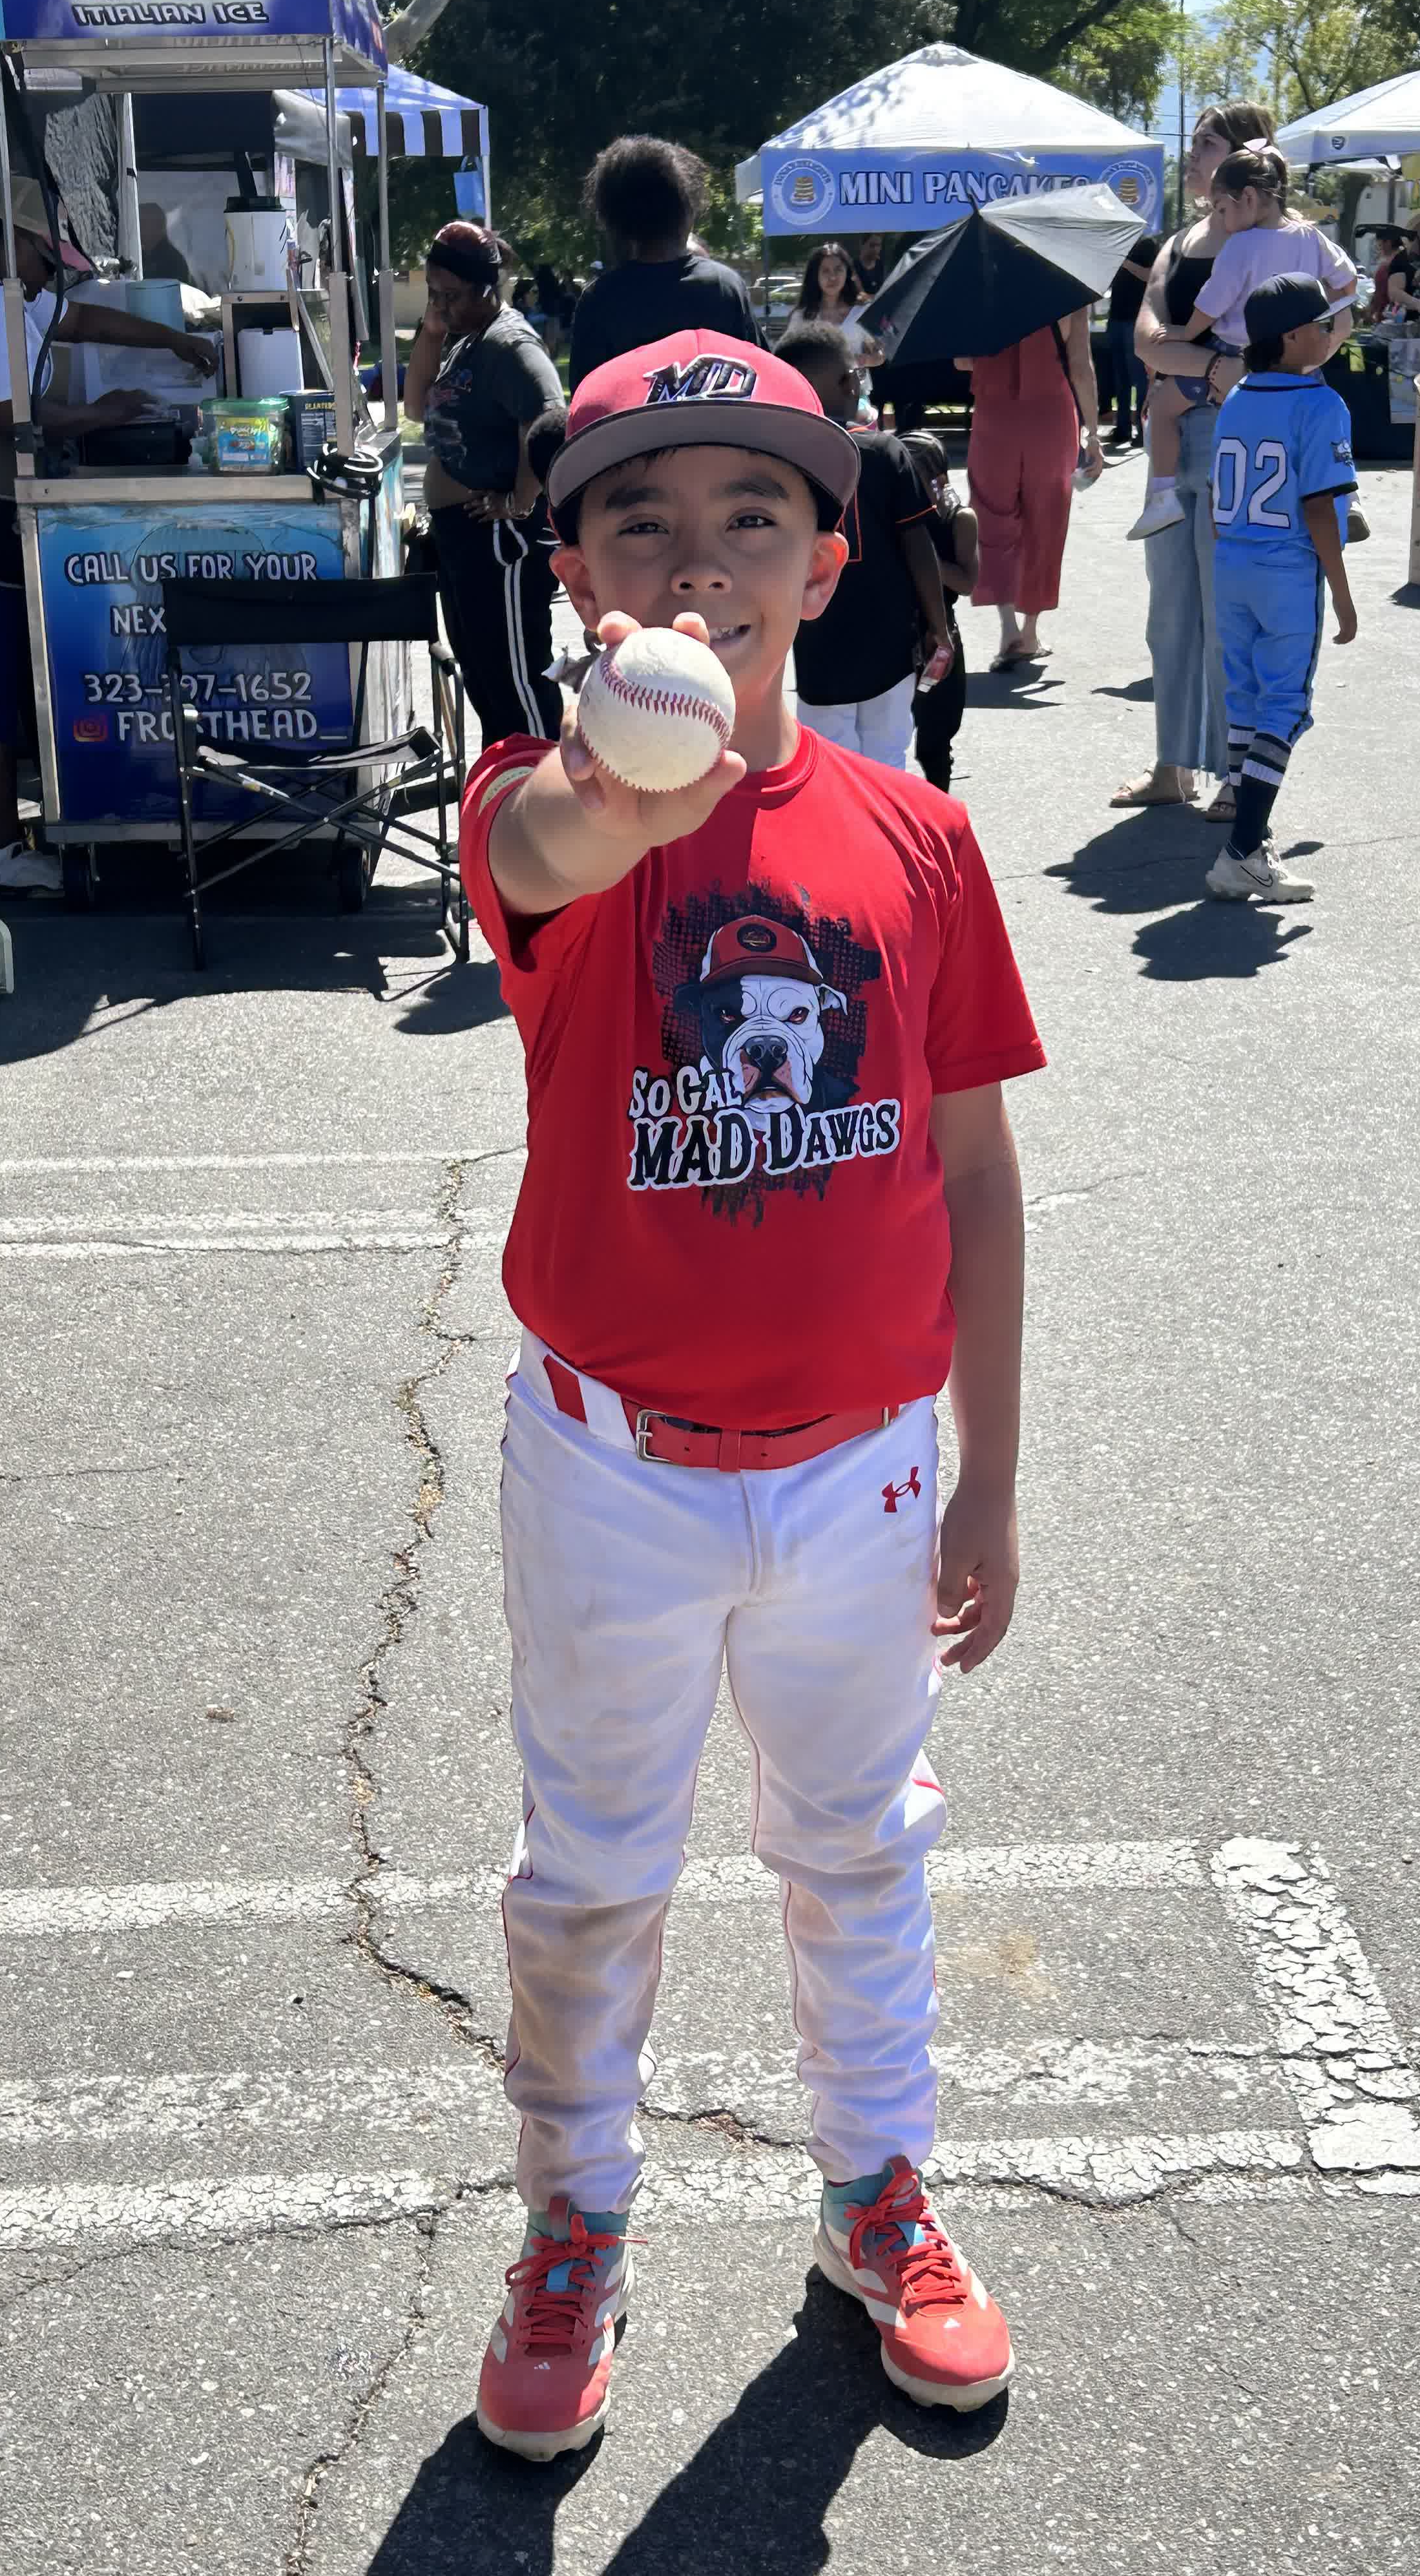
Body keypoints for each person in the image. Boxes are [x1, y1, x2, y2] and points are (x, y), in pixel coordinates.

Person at [459, 323, 1043, 2463]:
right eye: (643, 521)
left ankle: (875, 2189)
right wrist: (630, 776)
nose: (698, 562)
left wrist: (987, 1473)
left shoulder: (913, 838)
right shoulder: (545, 805)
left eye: (752, 517)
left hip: (866, 1474)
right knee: (592, 1873)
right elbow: (542, 855)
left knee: (860, 1851)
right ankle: (573, 2223)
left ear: (827, 561)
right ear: (575, 574)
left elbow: (973, 1173)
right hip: (610, 1469)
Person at [0, 180, 215, 892]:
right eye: (45, 258)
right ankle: (2, 849)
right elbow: (20, 419)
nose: (50, 275)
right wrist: (107, 411)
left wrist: (174, 339)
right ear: (11, 243)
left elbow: (86, 323)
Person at [1112, 100, 1280, 816]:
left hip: (1236, 441)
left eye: (1205, 145)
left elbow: (1282, 350)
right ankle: (1173, 766)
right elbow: (1147, 339)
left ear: (1244, 163)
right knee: (1172, 612)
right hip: (1172, 434)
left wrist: (1206, 370)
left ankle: (1236, 773)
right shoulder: (1179, 244)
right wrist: (1210, 367)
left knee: (1227, 612)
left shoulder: (1277, 244)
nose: (1190, 158)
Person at [1203, 275, 1358, 905]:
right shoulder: (1321, 403)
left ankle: (1253, 835)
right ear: (1292, 337)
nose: (1331, 333)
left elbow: (1219, 499)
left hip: (1232, 563)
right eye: (1323, 325)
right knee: (1284, 707)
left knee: (1246, 701)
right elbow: (1320, 507)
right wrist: (1344, 596)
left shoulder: (1237, 395)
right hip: (1287, 570)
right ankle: (1240, 851)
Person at [1131, 147, 1356, 540]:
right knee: (1325, 418)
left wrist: (1186, 332)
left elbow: (1214, 302)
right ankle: (1349, 496)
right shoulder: (1311, 236)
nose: (1219, 219)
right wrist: (1325, 315)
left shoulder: (1241, 246)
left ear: (1249, 198)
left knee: (1166, 407)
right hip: (1299, 357)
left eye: (1221, 209)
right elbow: (1348, 280)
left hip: (1239, 354)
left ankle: (1162, 495)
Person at [403, 220, 566, 750]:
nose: (440, 305)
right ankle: (509, 801)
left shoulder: (510, 346)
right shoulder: (460, 338)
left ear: (485, 290)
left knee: (517, 681)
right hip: (461, 536)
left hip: (502, 540)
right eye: (432, 293)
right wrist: (431, 330)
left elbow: (548, 420)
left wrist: (520, 500)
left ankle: (550, 801)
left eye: (449, 296)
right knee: (483, 677)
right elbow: (412, 406)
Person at [776, 321, 950, 766]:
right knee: (888, 756)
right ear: (841, 381)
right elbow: (917, 542)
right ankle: (885, 835)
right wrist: (938, 625)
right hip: (889, 639)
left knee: (830, 764)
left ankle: (841, 835)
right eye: (855, 374)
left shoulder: (778, 461)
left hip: (818, 646)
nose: (859, 382)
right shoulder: (884, 452)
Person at [958, 312, 1102, 667]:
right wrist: (1094, 434)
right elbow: (1081, 366)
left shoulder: (981, 292)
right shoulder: (1067, 294)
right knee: (1046, 522)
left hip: (995, 416)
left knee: (992, 516)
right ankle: (1031, 630)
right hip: (1051, 417)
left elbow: (962, 361)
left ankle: (1008, 628)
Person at [567, 136, 757, 389]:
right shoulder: (725, 287)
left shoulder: (599, 301)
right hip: (720, 428)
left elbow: (585, 403)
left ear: (615, 221)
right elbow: (759, 377)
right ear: (686, 211)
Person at [903, 429, 978, 789]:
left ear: (940, 480)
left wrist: (922, 555)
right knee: (888, 736)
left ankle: (940, 812)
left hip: (940, 635)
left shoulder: (959, 519)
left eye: (914, 481)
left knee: (935, 740)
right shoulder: (888, 515)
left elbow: (967, 582)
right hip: (895, 634)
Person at [782, 242, 884, 373]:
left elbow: (880, 354)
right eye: (825, 271)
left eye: (838, 269)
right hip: (815, 389)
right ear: (815, 276)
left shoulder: (862, 311)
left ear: (847, 273)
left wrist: (864, 360)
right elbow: (788, 358)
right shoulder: (802, 316)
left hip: (854, 389)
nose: (833, 277)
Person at [1104, 227, 1159, 449]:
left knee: (1138, 377)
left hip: (1135, 321)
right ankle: (1123, 429)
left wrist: (1123, 261)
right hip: (1116, 319)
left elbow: (1150, 276)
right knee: (1121, 378)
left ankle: (1142, 431)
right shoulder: (1116, 247)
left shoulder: (1147, 245)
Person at [138, 200, 191, 284]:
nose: (139, 229)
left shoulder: (174, 263)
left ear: (158, 227)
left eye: (143, 223)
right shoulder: (137, 256)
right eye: (139, 223)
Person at [1368, 224, 1410, 322]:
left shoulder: (1387, 266)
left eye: (1379, 245)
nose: (1379, 249)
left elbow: (1380, 295)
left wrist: (1371, 312)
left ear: (1388, 243)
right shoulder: (1406, 259)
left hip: (1389, 317)